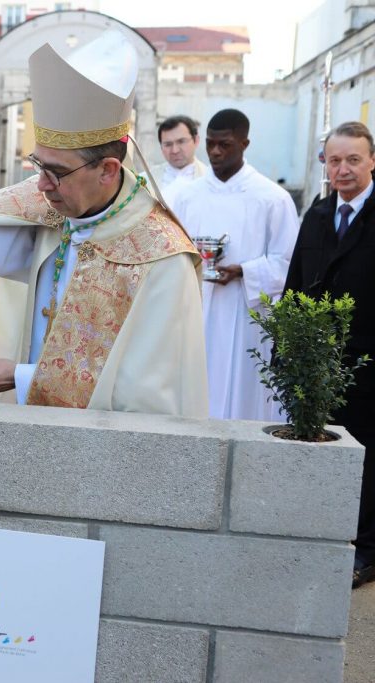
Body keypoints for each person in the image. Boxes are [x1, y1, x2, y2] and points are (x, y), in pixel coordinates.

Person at [0, 31, 207, 416]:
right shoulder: (59, 204)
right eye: (38, 164)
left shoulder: (163, 258)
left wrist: (23, 378)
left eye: (54, 171)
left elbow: (149, 395)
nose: (40, 184)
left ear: (108, 170)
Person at [284, 122, 375, 587]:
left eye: (352, 160)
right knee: (325, 449)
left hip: (368, 361)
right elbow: (297, 280)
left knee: (368, 457)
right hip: (321, 361)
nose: (342, 169)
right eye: (334, 160)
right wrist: (286, 346)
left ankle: (366, 549)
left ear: (372, 161)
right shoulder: (319, 213)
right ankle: (328, 538)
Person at [170, 109, 298, 421]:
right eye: (211, 144)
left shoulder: (272, 198)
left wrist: (244, 271)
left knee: (244, 395)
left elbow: (289, 263)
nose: (215, 152)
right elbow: (173, 252)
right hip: (198, 310)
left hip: (247, 316)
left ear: (244, 143)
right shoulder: (187, 197)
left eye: (224, 144)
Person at [151, 115, 207, 202]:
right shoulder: (146, 181)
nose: (175, 150)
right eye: (168, 144)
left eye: (181, 142)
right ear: (161, 147)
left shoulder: (211, 179)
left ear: (196, 141)